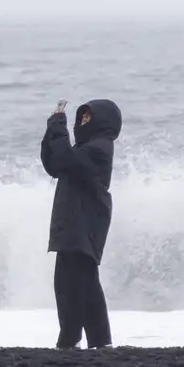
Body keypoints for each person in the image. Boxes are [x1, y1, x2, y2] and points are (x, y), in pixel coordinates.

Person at [41, 99, 121, 349]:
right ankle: (94, 340)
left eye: (88, 117)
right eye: (82, 117)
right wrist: (51, 129)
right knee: (73, 282)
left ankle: (76, 339)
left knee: (78, 283)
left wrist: (58, 125)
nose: (83, 121)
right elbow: (54, 164)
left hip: (85, 221)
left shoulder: (99, 148)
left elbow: (65, 159)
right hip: (72, 221)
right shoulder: (84, 148)